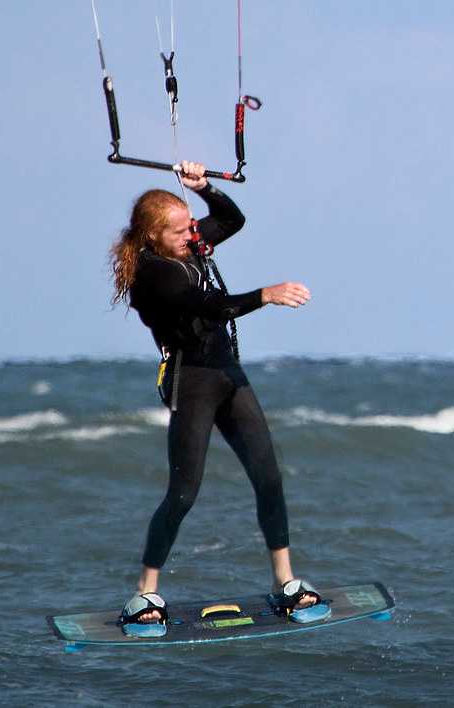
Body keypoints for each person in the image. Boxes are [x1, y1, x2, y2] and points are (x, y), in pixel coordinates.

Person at [109, 161, 321, 633]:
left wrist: (204, 188)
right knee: (183, 494)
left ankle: (285, 582)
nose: (193, 236)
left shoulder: (185, 241)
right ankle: (144, 593)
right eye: (181, 231)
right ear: (152, 236)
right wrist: (265, 294)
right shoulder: (155, 274)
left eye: (191, 226)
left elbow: (231, 221)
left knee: (269, 477)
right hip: (193, 381)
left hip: (228, 373)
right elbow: (213, 307)